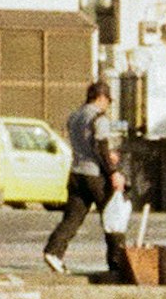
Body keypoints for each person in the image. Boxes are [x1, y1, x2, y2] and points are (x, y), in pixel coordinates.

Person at [44, 78, 119, 274]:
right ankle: (116, 263)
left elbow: (85, 145)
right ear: (101, 97)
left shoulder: (74, 117)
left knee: (72, 218)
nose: (108, 105)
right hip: (94, 175)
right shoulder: (99, 118)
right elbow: (100, 147)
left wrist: (102, 154)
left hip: (76, 173)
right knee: (113, 217)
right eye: (108, 101)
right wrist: (113, 172)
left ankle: (54, 252)